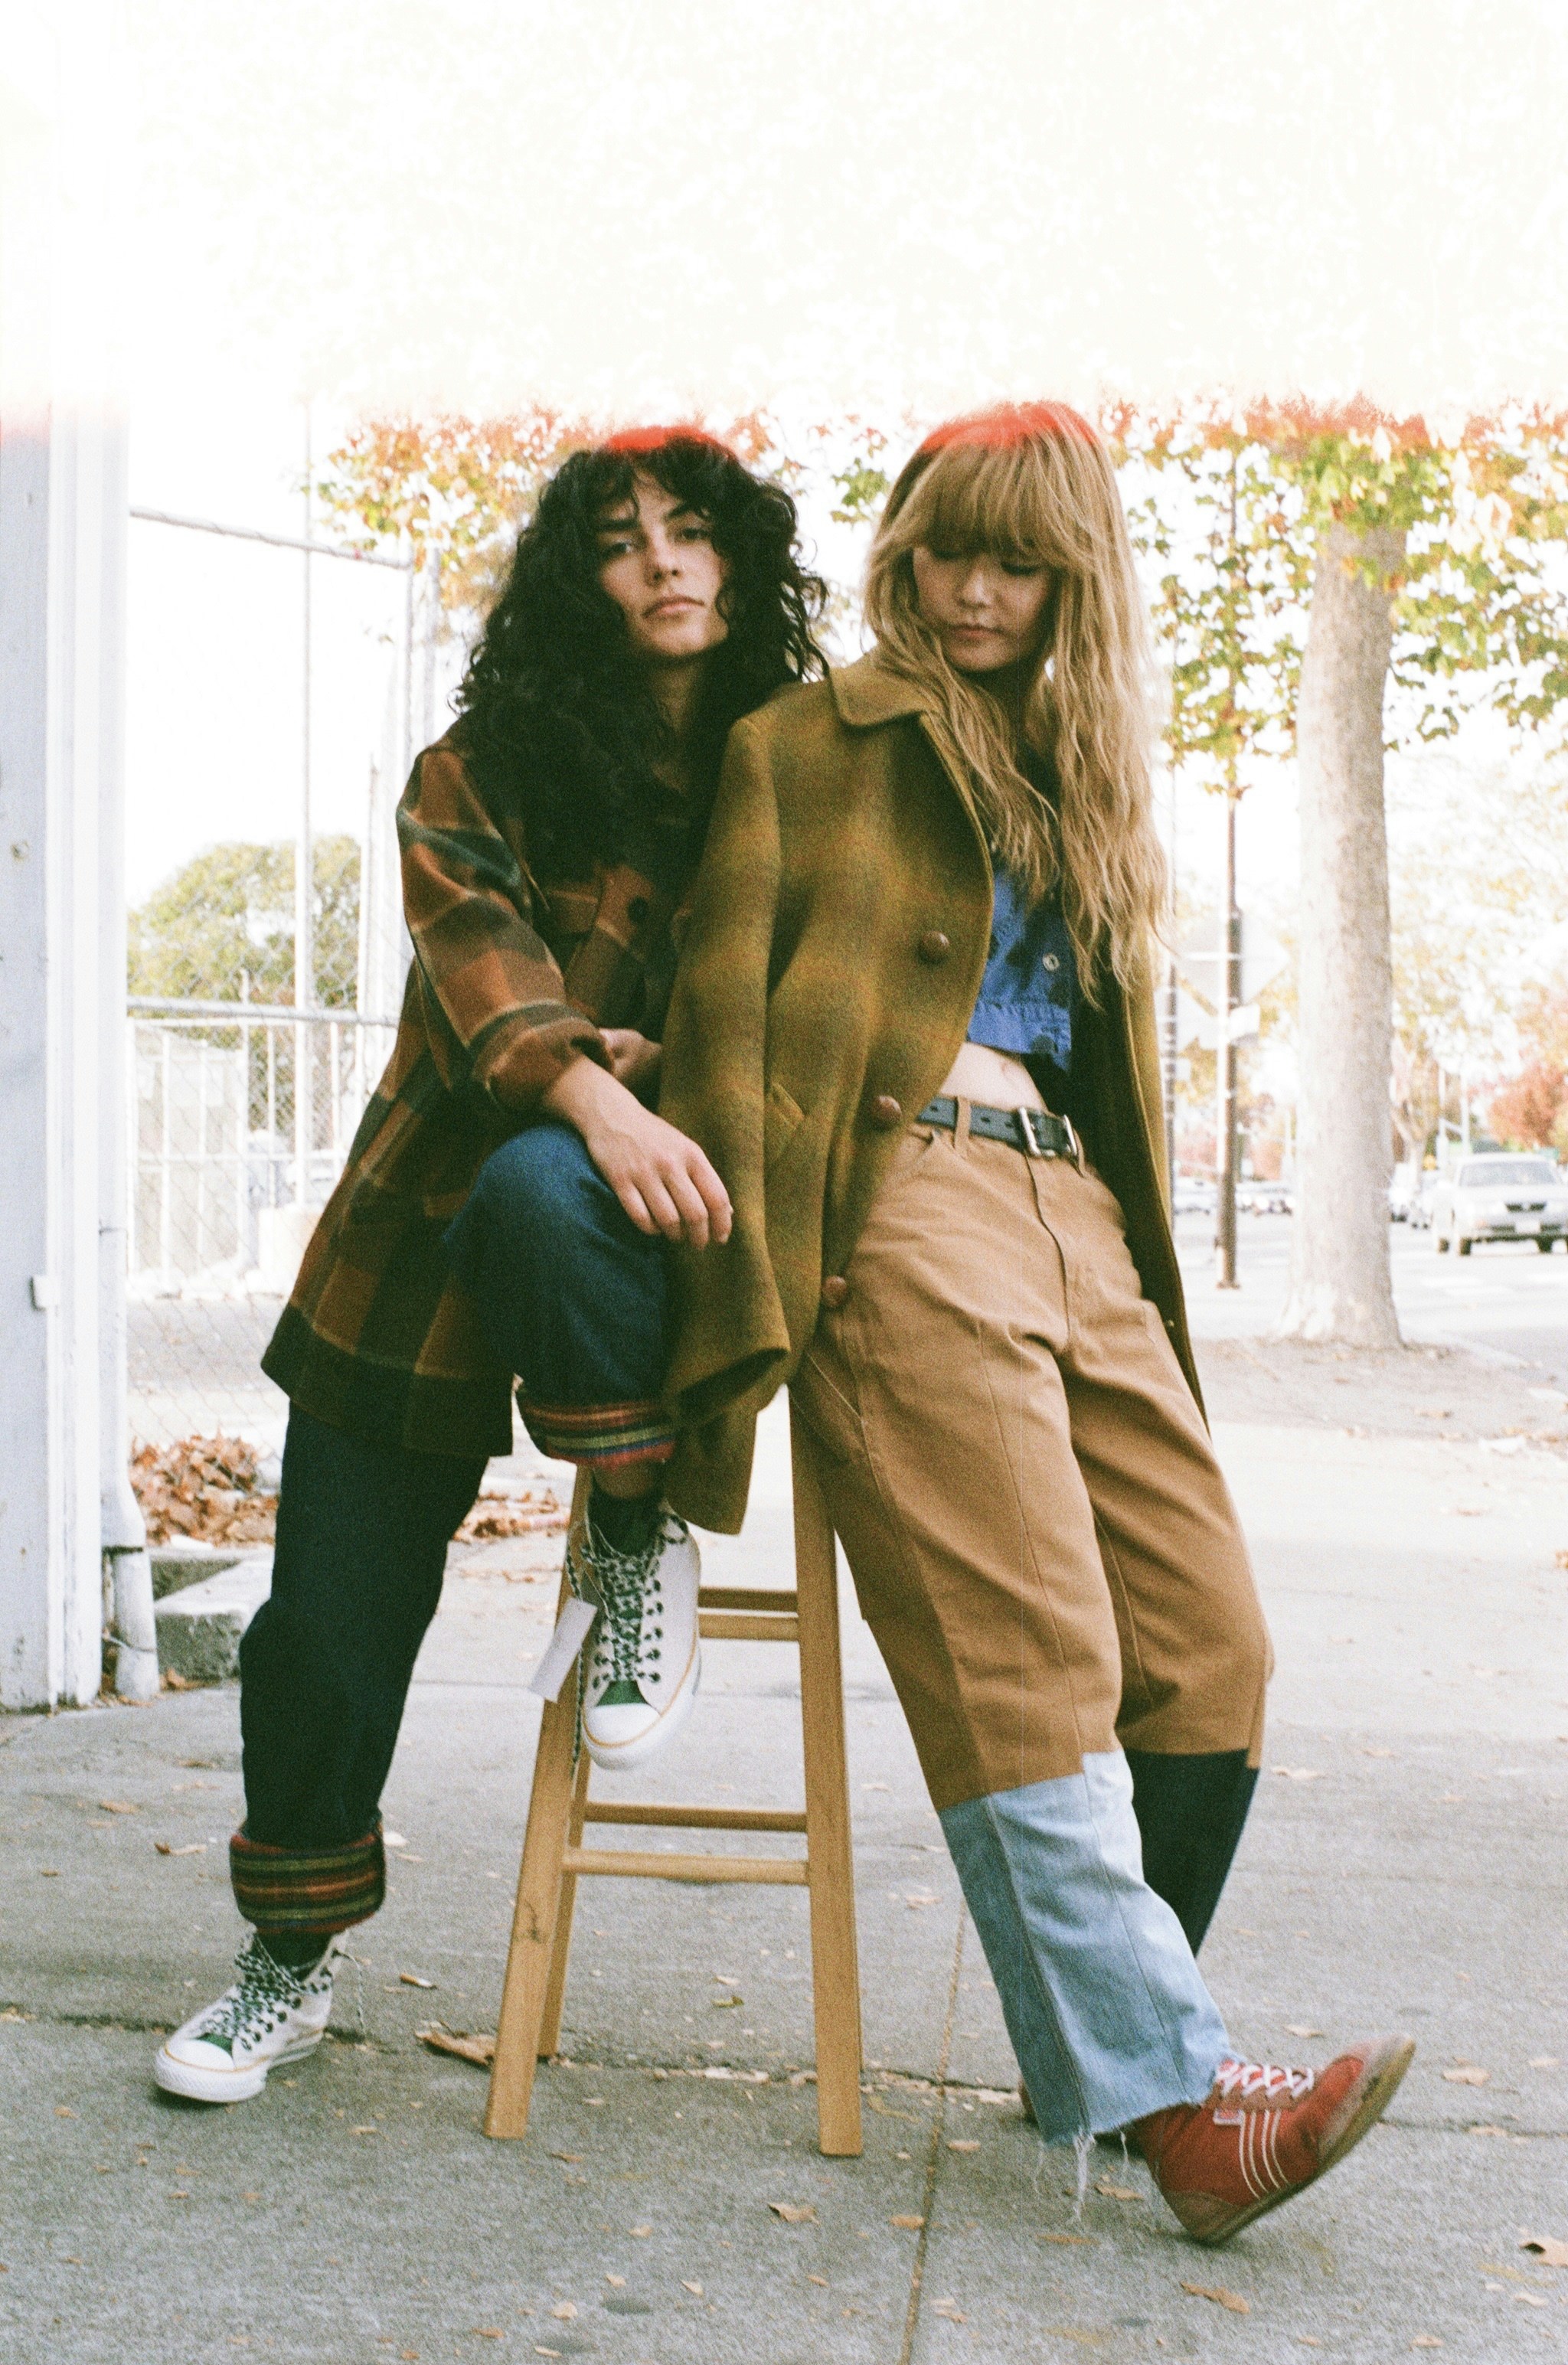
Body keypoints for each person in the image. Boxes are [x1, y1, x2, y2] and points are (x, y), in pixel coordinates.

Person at [658, 403, 1413, 2245]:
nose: (974, 590)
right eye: (947, 550)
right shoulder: (803, 745)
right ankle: (1176, 2106)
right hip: (904, 1197)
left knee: (1208, 1645)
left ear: (1077, 580)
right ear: (902, 549)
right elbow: (722, 1032)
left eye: (1019, 562)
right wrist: (764, 1293)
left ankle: (1098, 2051)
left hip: (1077, 1215)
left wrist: (1127, 1256)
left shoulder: (1088, 777)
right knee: (1034, 1654)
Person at [154, 427, 825, 2105]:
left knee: (547, 1184)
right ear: (575, 584)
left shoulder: (790, 771)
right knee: (321, 1634)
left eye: (690, 528)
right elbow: (487, 979)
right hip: (419, 1246)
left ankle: (630, 1522)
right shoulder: (478, 770)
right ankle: (288, 1962)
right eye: (619, 539)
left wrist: (650, 1098)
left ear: (739, 558)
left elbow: (805, 1014)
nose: (660, 559)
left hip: (650, 1248)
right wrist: (607, 1086)